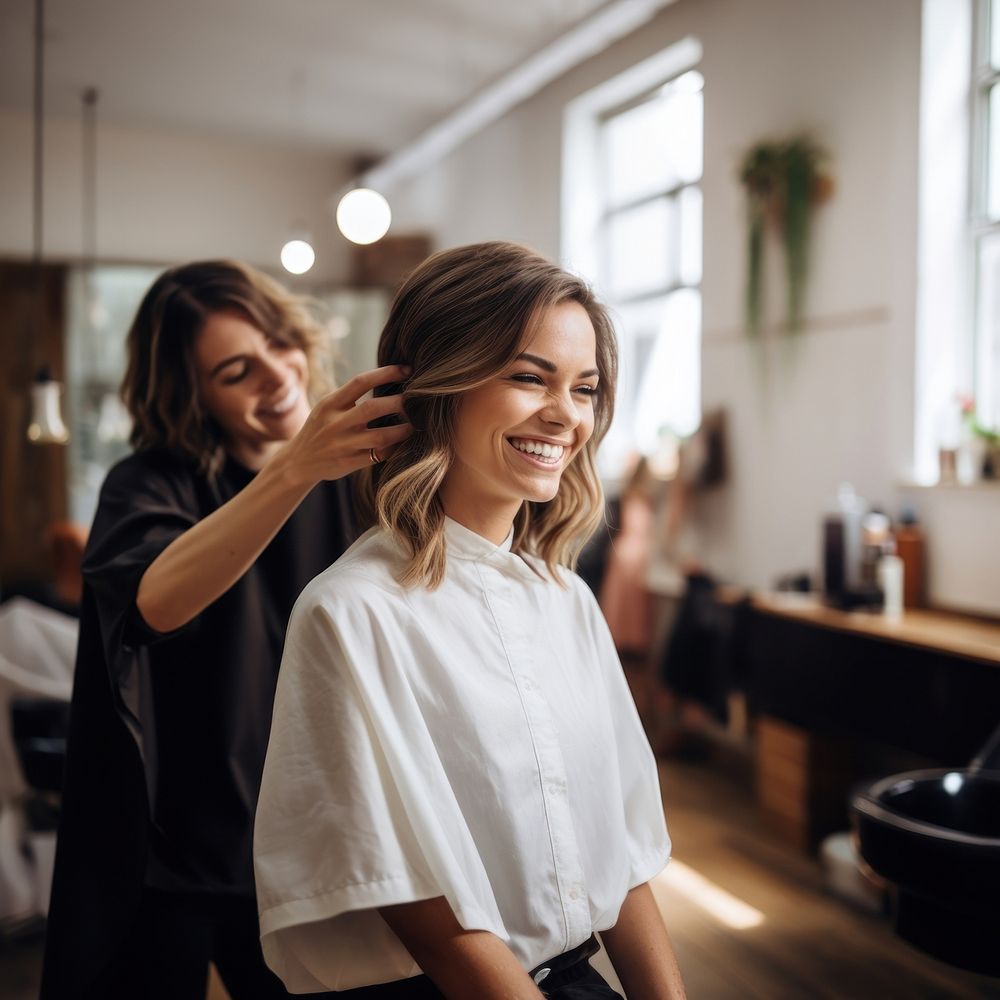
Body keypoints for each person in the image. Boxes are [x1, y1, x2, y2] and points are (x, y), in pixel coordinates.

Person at [254, 242, 687, 999]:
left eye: (584, 389)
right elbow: (443, 932)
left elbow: (623, 860)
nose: (565, 415)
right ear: (437, 386)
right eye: (529, 377)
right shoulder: (351, 615)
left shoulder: (568, 602)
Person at [40, 260, 411, 1000]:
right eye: (238, 371)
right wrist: (294, 468)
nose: (278, 377)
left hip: (306, 843)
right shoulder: (151, 483)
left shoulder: (360, 480)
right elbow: (154, 603)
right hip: (168, 853)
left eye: (280, 344)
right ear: (193, 395)